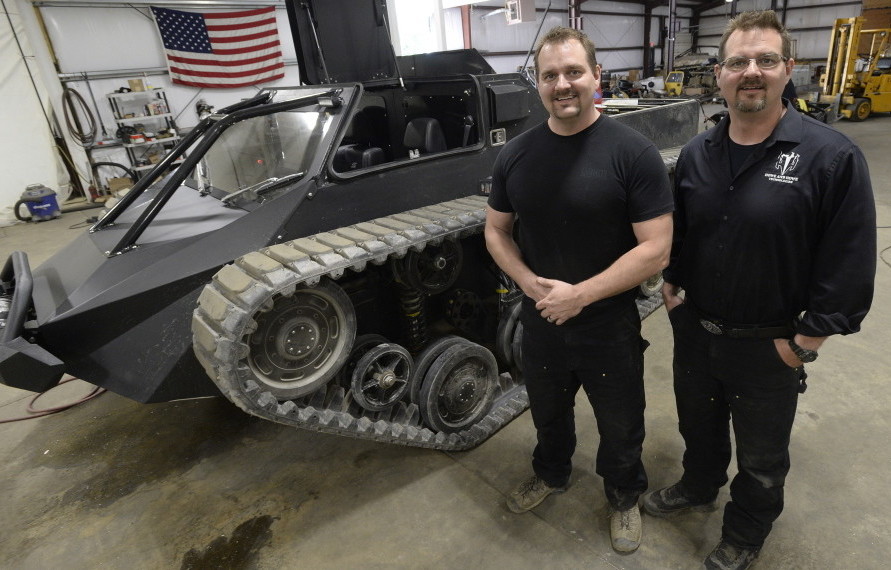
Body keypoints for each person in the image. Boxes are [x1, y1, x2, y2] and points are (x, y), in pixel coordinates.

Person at [642, 10, 876, 570]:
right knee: (697, 426)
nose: (752, 71)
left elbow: (849, 259)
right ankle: (699, 486)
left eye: (766, 60)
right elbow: (685, 229)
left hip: (769, 344)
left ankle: (745, 532)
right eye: (738, 61)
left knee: (763, 456)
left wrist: (805, 341)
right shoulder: (699, 153)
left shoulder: (830, 157)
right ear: (719, 75)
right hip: (697, 330)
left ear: (787, 69)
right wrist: (672, 284)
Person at [484, 27, 674, 553]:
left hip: (607, 322)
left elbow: (655, 249)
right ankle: (550, 474)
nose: (562, 84)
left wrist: (581, 295)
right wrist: (527, 283)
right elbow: (495, 229)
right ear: (538, 84)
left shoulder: (632, 154)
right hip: (541, 318)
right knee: (546, 410)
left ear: (595, 76)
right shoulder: (517, 156)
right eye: (550, 75)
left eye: (573, 72)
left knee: (620, 419)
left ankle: (623, 496)